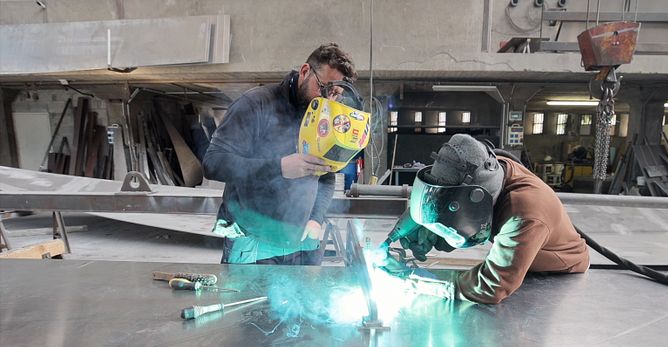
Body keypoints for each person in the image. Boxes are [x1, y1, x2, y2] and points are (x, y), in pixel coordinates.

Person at [202, 43, 357, 265]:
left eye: (335, 94)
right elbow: (213, 163)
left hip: (302, 242)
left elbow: (326, 174)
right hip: (253, 239)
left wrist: (316, 218)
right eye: (323, 87)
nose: (327, 100)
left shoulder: (324, 117)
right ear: (305, 71)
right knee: (247, 300)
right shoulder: (256, 104)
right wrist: (280, 167)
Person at [395, 133, 589, 304]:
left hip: (558, 276)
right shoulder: (492, 167)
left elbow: (491, 286)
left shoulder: (525, 215)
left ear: (477, 198)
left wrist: (413, 282)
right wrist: (426, 216)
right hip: (525, 251)